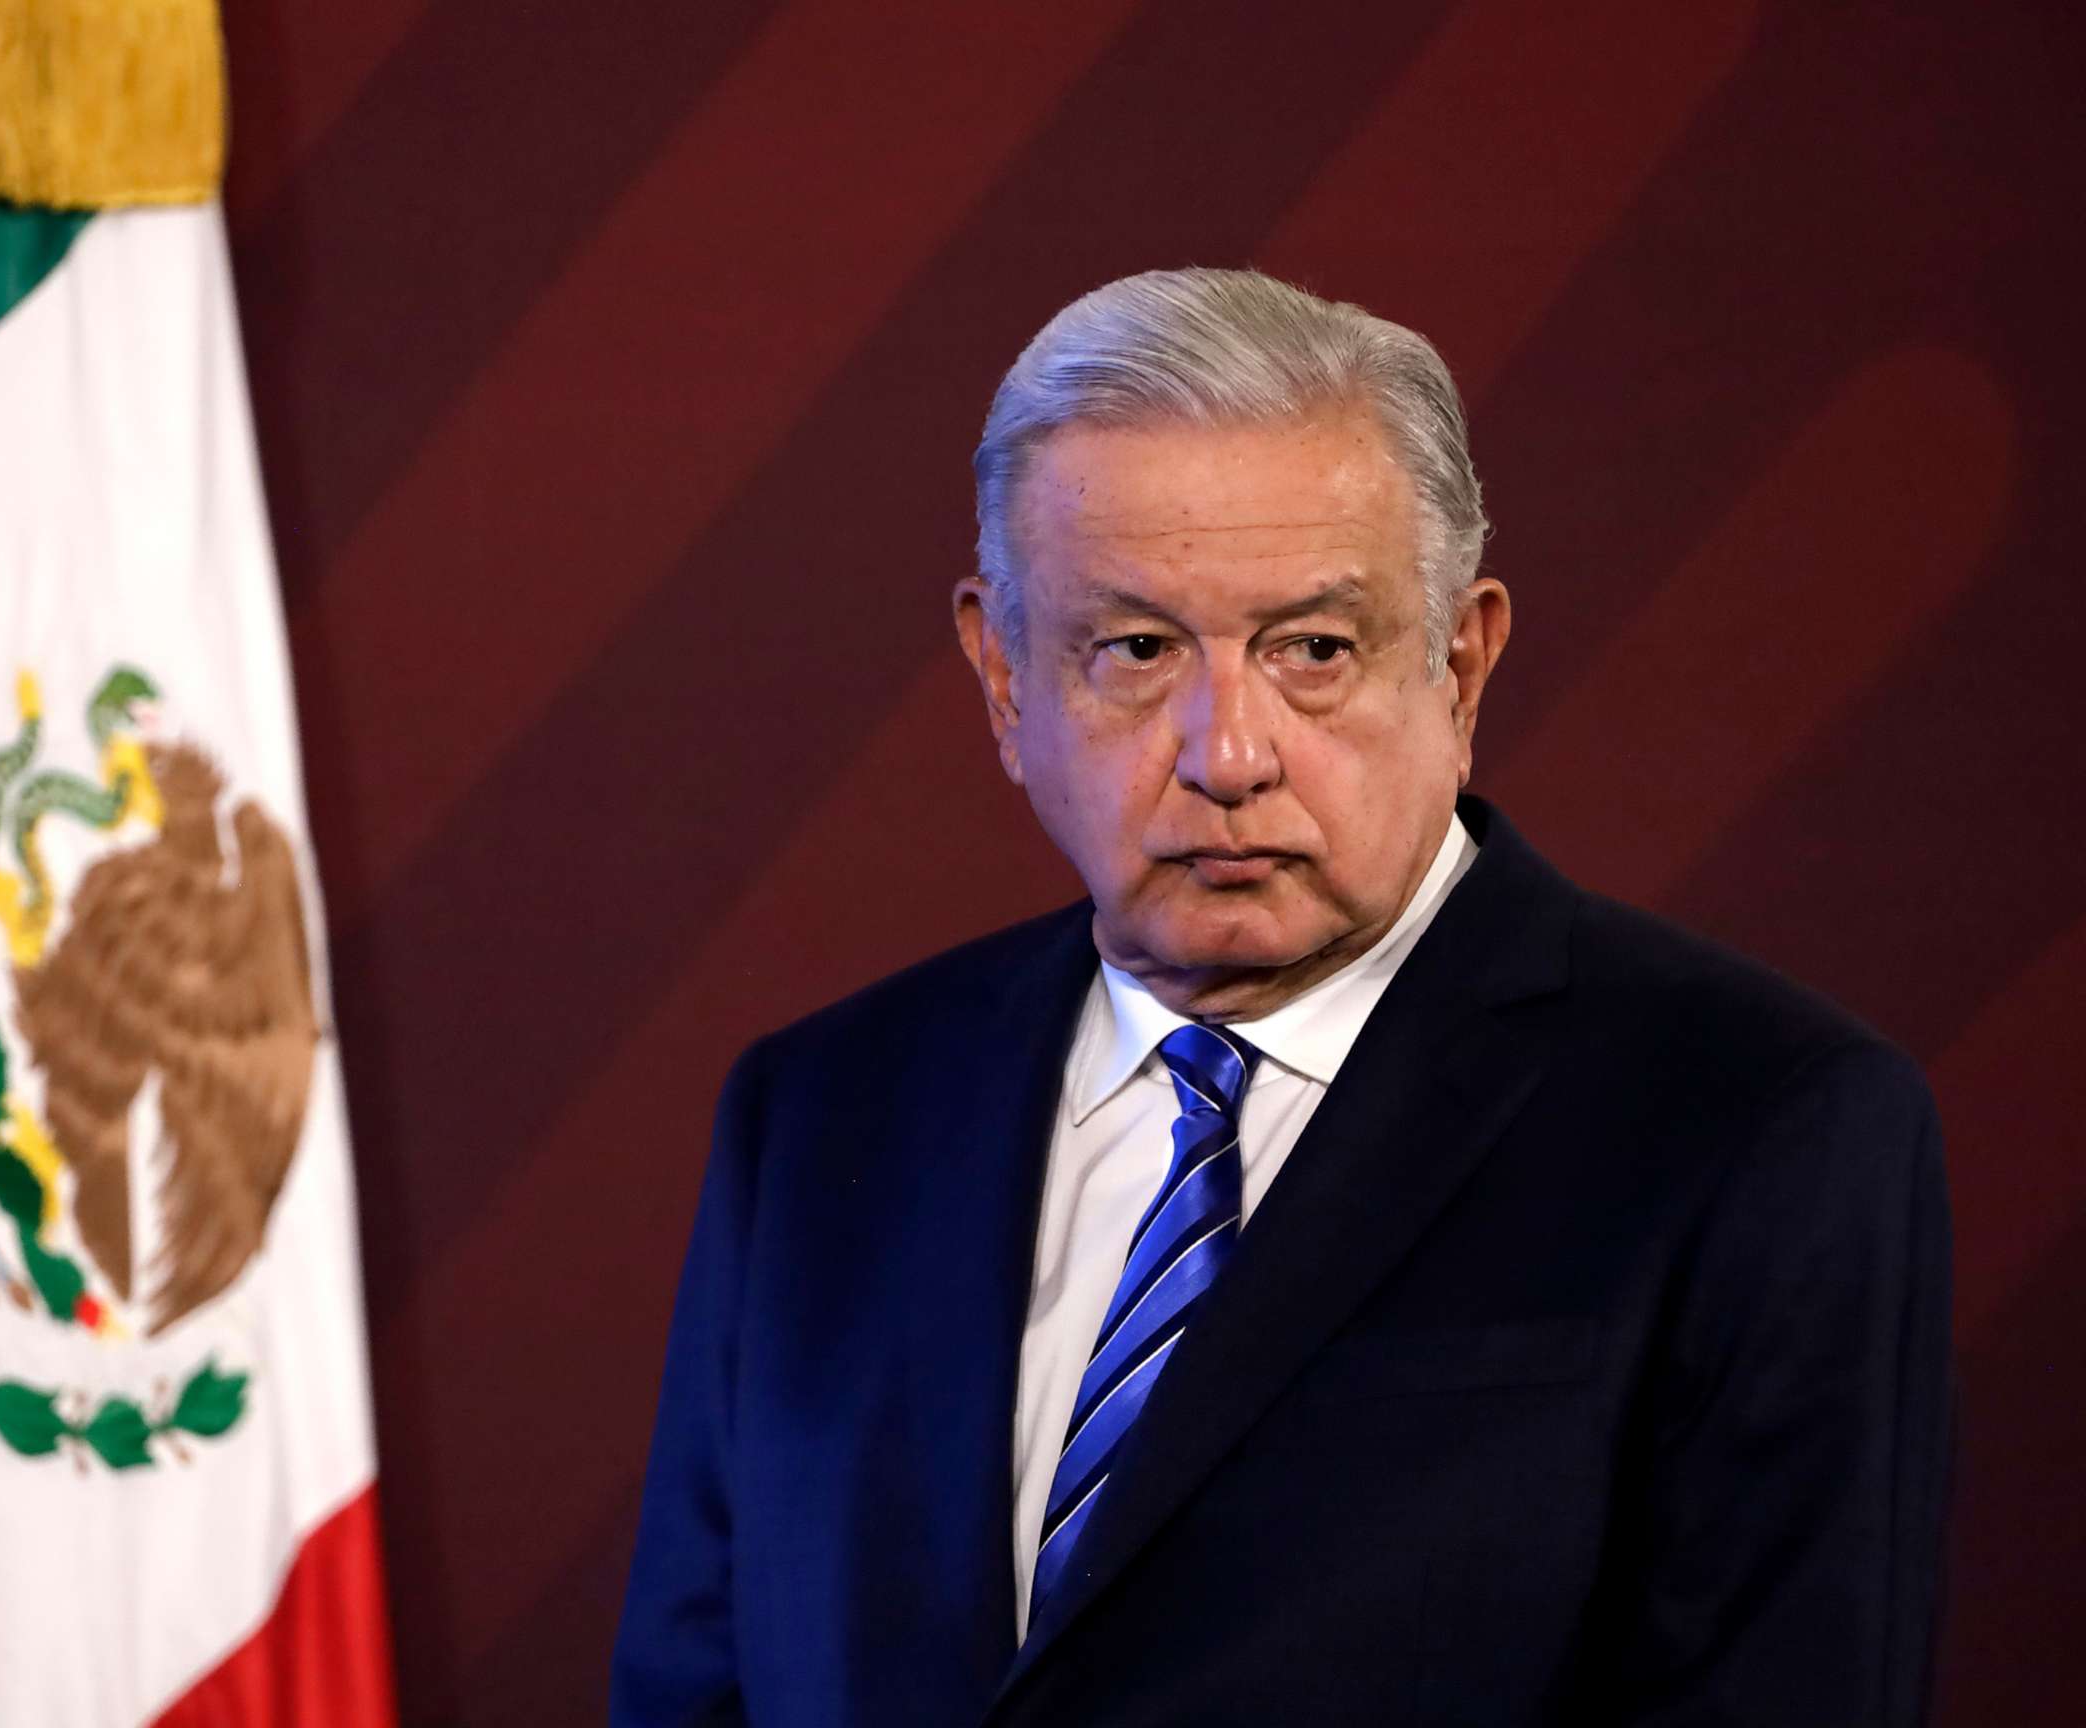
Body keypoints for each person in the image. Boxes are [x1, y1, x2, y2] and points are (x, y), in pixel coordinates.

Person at [610, 268, 1951, 1727]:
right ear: (1003, 679)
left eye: (1313, 650)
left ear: (1461, 662)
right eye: (1135, 651)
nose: (1227, 751)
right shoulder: (821, 1119)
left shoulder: (1757, 1127)